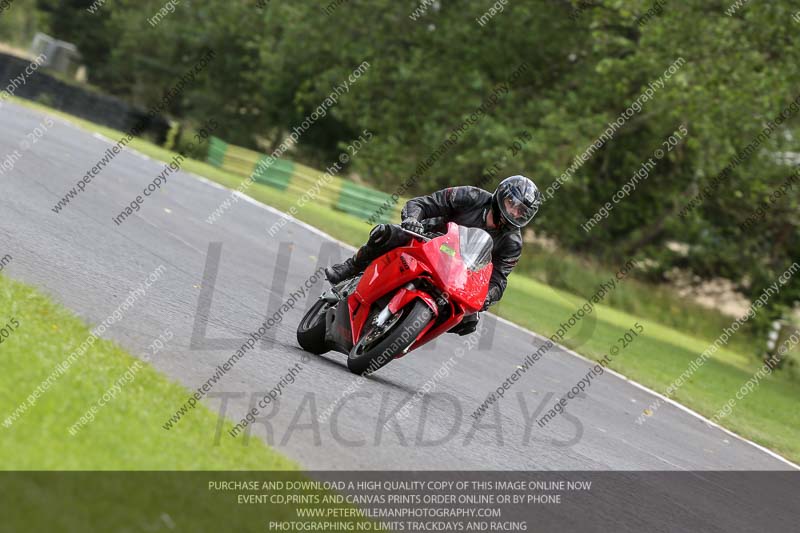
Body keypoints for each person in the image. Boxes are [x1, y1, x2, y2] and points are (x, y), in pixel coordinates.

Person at [324, 175, 541, 335]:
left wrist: (487, 297)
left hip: (460, 274)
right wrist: (413, 220)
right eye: (511, 204)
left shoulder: (512, 243)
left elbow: (499, 280)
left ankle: (412, 329)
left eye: (520, 211)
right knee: (386, 233)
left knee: (468, 322)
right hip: (427, 240)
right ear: (501, 195)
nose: (513, 212)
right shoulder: (470, 195)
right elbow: (422, 204)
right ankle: (350, 267)